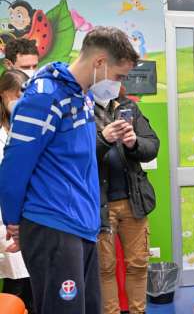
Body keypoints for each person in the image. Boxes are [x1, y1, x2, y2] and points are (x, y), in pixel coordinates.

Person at [0, 26, 139, 314]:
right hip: (53, 224)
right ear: (99, 62)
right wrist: (13, 221)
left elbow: (82, 166)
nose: (119, 85)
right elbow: (14, 164)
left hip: (82, 226)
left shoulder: (82, 97)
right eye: (119, 76)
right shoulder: (44, 95)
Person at [94, 83, 159, 314]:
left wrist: (134, 143)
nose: (111, 84)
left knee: (138, 265)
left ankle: (137, 311)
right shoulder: (80, 110)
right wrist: (103, 138)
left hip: (133, 201)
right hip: (99, 205)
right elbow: (74, 155)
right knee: (104, 268)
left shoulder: (128, 106)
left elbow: (152, 145)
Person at [0, 70, 33, 313]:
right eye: (15, 95)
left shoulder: (29, 125)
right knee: (16, 283)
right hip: (6, 217)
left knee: (32, 282)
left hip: (30, 214)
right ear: (3, 95)